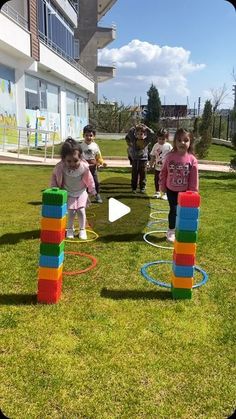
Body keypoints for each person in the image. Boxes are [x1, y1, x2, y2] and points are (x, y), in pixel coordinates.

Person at [50, 137, 96, 239]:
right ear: (63, 159)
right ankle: (69, 229)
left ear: (80, 158)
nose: (72, 164)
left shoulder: (84, 168)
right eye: (69, 161)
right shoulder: (60, 168)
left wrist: (92, 190)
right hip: (68, 192)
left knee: (81, 210)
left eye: (75, 161)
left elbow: (90, 179)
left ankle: (82, 229)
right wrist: (54, 188)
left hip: (81, 192)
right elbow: (54, 178)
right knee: (71, 211)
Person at [159, 128, 198, 243]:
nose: (182, 143)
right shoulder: (170, 157)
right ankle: (171, 231)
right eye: (179, 140)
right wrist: (162, 185)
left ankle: (181, 230)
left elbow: (193, 177)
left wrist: (193, 191)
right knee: (174, 209)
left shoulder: (192, 159)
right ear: (175, 142)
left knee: (183, 212)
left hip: (185, 192)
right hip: (171, 189)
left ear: (190, 142)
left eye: (186, 140)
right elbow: (163, 172)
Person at [80, 124, 107, 204]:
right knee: (83, 183)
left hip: (93, 168)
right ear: (83, 135)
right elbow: (77, 157)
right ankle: (83, 197)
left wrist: (102, 162)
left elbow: (99, 157)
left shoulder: (95, 146)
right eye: (86, 135)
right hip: (83, 169)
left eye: (91, 135)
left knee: (95, 182)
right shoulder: (80, 146)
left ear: (94, 136)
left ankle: (97, 195)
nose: (89, 137)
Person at [125, 123, 154, 193]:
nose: (139, 135)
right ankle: (134, 188)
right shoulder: (134, 140)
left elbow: (152, 134)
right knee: (134, 174)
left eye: (141, 134)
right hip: (135, 160)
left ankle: (142, 188)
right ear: (136, 135)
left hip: (143, 160)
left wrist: (146, 127)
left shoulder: (146, 141)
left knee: (143, 175)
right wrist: (135, 127)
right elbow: (130, 132)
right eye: (138, 134)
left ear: (144, 134)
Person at [149, 128, 172, 200]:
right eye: (159, 139)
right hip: (157, 167)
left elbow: (172, 156)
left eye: (163, 139)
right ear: (157, 138)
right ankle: (157, 192)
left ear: (166, 138)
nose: (161, 141)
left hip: (166, 168)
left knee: (165, 180)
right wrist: (151, 164)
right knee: (157, 179)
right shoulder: (155, 145)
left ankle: (165, 194)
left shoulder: (169, 146)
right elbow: (153, 156)